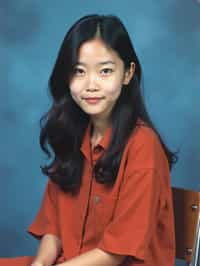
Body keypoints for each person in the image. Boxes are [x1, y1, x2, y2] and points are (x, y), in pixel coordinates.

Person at [0, 14, 177, 266]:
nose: (90, 84)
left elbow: (115, 253)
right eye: (79, 71)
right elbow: (55, 227)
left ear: (127, 73)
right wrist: (40, 264)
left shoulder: (143, 147)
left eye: (105, 71)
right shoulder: (73, 136)